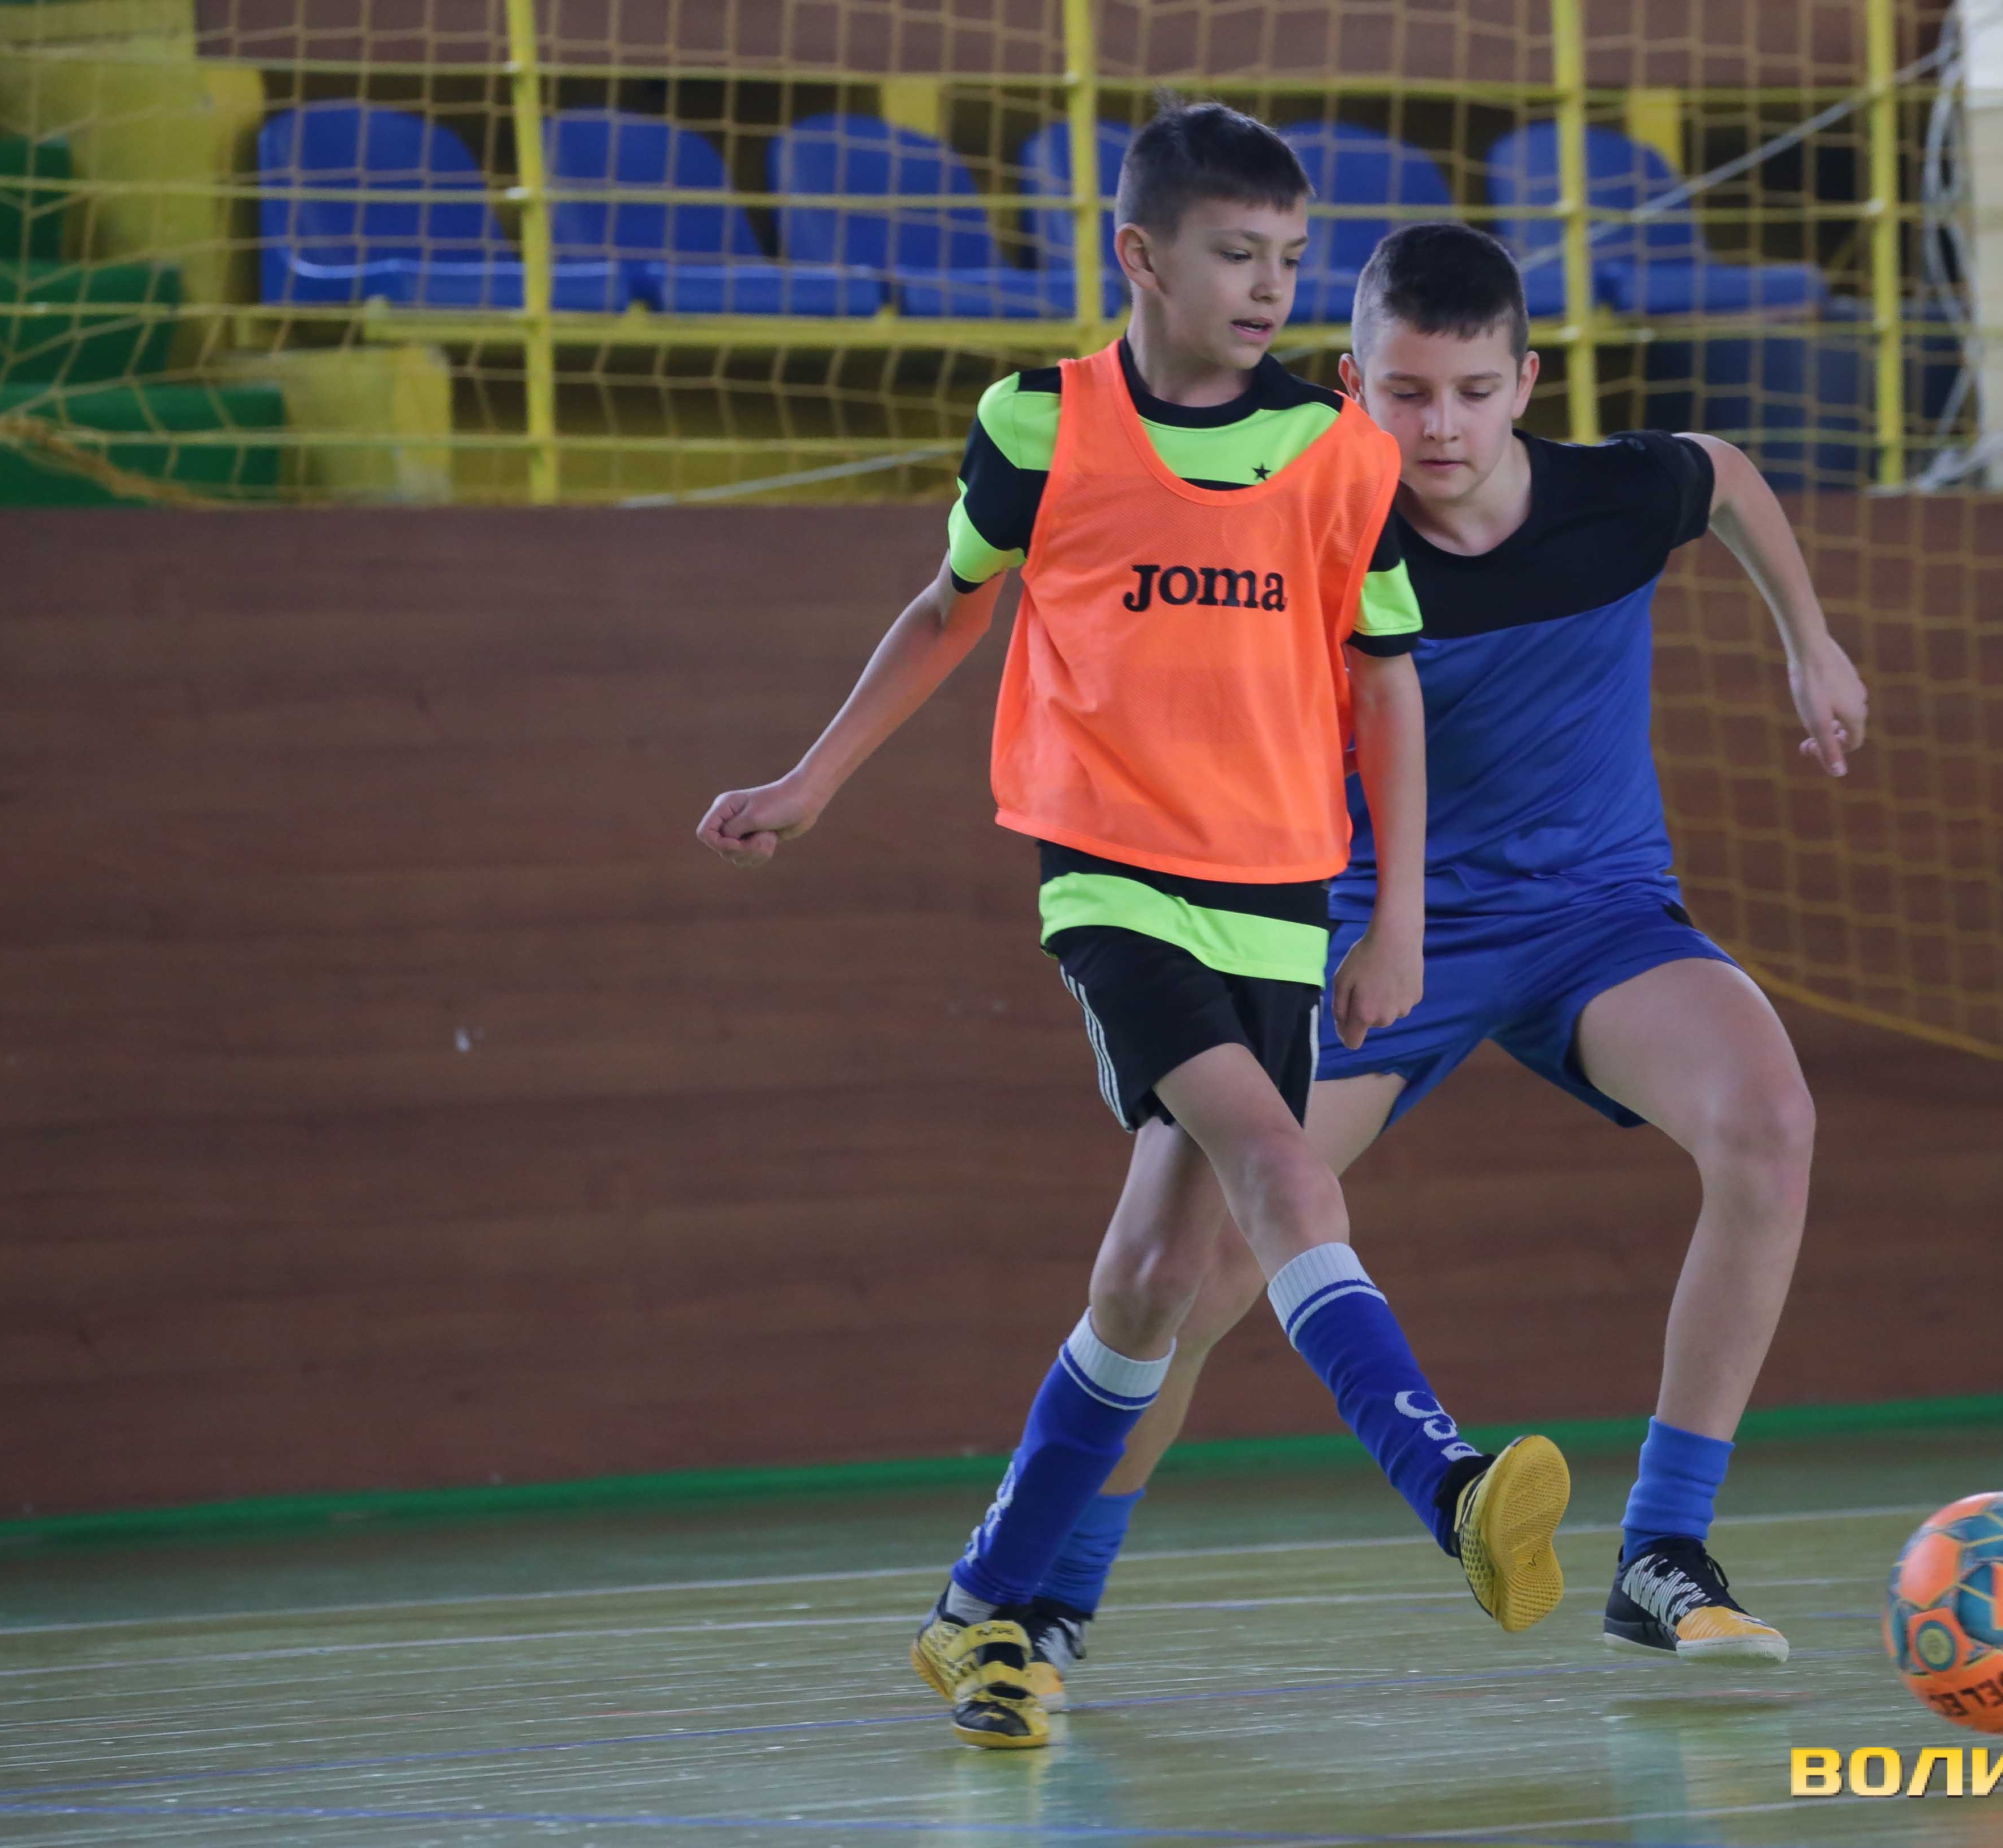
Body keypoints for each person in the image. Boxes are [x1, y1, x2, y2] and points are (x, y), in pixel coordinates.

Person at [697, 119, 1571, 1751]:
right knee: (1280, 1164)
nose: (1269, 285)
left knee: (1157, 1277)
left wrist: (1394, 916)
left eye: (1290, 258)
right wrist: (812, 778)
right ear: (1142, 257)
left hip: (1283, 895)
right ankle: (1446, 1481)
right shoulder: (1039, 423)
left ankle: (981, 1607)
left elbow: (1384, 679)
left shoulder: (1335, 452)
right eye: (1237, 254)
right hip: (1113, 881)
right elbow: (948, 605)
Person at [1011, 222, 1868, 1695]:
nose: (1442, 427)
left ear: (1525, 383)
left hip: (1600, 919)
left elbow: (1724, 473)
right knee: (1192, 1271)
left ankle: (1665, 1548)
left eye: (1474, 391)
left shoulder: (1613, 497)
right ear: (1352, 387)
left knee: (1770, 1121)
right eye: (1405, 393)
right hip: (1372, 937)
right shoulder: (1309, 530)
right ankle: (1048, 1596)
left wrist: (1810, 639)